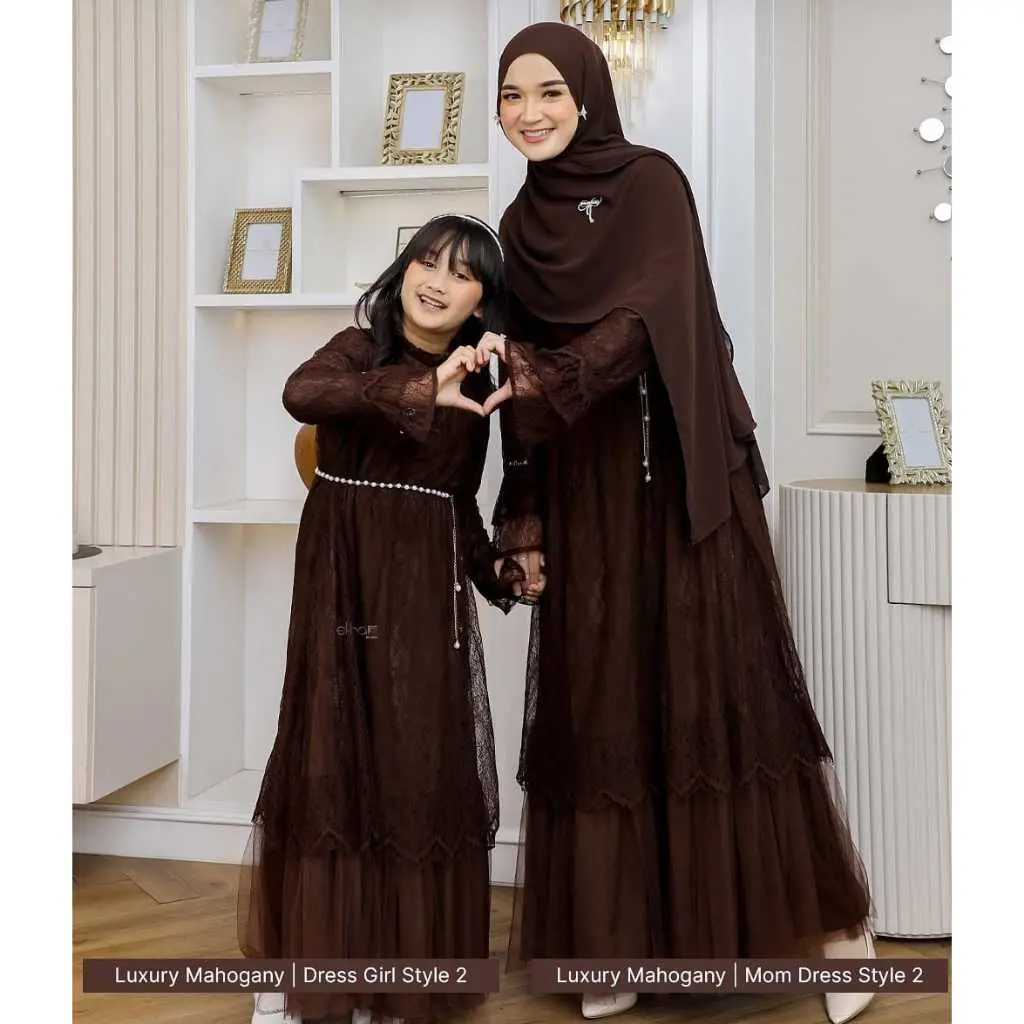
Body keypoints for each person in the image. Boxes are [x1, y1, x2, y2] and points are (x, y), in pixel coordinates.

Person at [481, 23, 876, 1024]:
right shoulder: (517, 227)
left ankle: (836, 937)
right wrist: (522, 513)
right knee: (601, 702)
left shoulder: (651, 182)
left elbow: (645, 317)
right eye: (511, 95)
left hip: (682, 474)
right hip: (586, 490)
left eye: (547, 91)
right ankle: (614, 942)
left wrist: (543, 372)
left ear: (585, 94)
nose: (528, 111)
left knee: (727, 694)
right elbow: (515, 393)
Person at [238, 214, 532, 1024]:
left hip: (420, 594)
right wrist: (418, 389)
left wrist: (501, 575)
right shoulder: (356, 349)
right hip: (341, 581)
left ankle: (394, 979)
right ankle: (302, 970)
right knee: (327, 755)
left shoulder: (479, 385)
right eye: (427, 263)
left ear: (482, 302)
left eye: (462, 274)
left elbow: (457, 503)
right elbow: (302, 394)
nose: (437, 282)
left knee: (412, 764)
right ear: (403, 271)